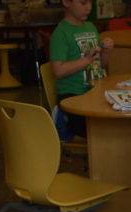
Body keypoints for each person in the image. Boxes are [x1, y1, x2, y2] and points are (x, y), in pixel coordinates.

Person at [50, 0, 114, 139]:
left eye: (90, 3)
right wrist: (86, 60)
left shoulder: (91, 27)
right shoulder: (60, 33)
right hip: (73, 95)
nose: (89, 8)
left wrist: (106, 53)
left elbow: (100, 65)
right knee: (99, 130)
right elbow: (58, 71)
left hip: (95, 91)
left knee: (117, 121)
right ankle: (63, 118)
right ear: (66, 2)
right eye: (83, 3)